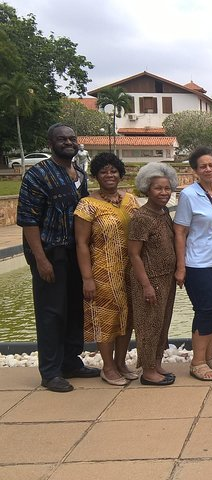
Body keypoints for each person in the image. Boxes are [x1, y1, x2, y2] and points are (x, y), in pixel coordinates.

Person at [16, 124, 100, 392]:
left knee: (75, 308)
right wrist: (40, 260)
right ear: (50, 143)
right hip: (50, 252)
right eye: (61, 139)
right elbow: (28, 220)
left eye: (72, 138)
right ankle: (51, 371)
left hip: (76, 252)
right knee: (51, 312)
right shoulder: (37, 175)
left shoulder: (80, 175)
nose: (68, 142)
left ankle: (70, 362)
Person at [75, 153, 139, 386]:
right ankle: (108, 366)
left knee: (127, 316)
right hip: (103, 271)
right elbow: (81, 243)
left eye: (113, 171)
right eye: (104, 171)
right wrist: (87, 278)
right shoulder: (88, 205)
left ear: (120, 174)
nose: (109, 175)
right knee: (107, 319)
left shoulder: (130, 200)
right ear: (96, 176)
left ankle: (121, 362)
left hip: (130, 269)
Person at [174, 146, 212, 381]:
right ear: (195, 170)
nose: (208, 169)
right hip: (198, 263)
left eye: (211, 165)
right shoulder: (189, 195)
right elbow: (180, 231)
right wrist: (181, 267)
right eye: (203, 166)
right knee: (205, 309)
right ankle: (197, 361)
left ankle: (210, 355)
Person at [128, 162, 179, 386]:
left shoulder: (163, 212)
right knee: (148, 325)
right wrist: (146, 285)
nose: (164, 193)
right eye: (158, 188)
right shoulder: (141, 217)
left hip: (166, 276)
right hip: (149, 279)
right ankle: (147, 371)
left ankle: (156, 363)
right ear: (147, 189)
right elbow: (134, 255)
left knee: (162, 323)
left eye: (167, 188)